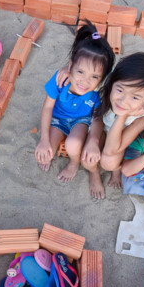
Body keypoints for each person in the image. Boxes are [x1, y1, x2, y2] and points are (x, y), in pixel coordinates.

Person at [34, 22, 115, 199]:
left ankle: (74, 163)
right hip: (57, 119)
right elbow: (47, 107)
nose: (85, 81)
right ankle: (53, 146)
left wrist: (93, 140)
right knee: (48, 151)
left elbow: (97, 118)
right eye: (80, 72)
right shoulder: (60, 79)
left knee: (73, 145)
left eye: (94, 76)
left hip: (81, 121)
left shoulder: (99, 91)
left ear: (102, 78)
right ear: (70, 66)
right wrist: (44, 139)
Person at [94, 52, 144, 189]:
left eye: (135, 97)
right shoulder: (110, 81)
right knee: (88, 156)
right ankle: (93, 173)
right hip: (104, 129)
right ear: (112, 82)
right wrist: (66, 71)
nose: (123, 101)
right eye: (120, 90)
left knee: (108, 162)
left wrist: (123, 115)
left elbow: (111, 150)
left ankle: (117, 170)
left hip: (121, 141)